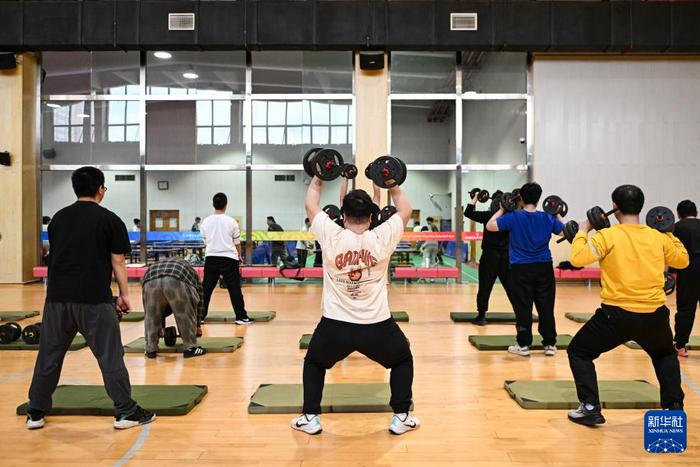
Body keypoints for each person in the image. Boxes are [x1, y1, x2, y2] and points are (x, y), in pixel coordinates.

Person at [26, 166, 155, 430]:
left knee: (49, 355)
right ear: (100, 189)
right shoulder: (109, 220)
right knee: (110, 356)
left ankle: (36, 412)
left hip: (57, 301)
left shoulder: (58, 219)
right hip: (94, 301)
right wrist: (125, 295)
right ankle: (126, 412)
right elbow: (118, 262)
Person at [291, 177, 419, 436]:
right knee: (402, 359)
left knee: (315, 363)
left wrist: (318, 177)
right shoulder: (382, 236)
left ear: (343, 215)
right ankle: (401, 416)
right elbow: (405, 209)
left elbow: (310, 204)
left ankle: (310, 418)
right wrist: (392, 183)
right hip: (377, 326)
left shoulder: (331, 234)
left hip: (335, 326)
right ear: (371, 217)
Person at [566, 185, 688, 425]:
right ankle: (674, 408)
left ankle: (590, 407)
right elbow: (682, 260)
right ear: (641, 207)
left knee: (579, 351)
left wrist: (582, 230)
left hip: (617, 316)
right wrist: (668, 232)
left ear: (614, 207)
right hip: (654, 316)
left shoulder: (607, 236)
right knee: (664, 355)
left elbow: (577, 257)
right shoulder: (658, 237)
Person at [486, 182, 563, 357]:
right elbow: (564, 232)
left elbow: (490, 226)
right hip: (544, 268)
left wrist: (501, 209)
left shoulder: (514, 216)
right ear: (539, 198)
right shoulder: (547, 218)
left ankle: (523, 345)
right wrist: (557, 214)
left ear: (520, 197)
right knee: (546, 306)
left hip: (520, 269)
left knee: (523, 307)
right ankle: (550, 344)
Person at [200, 193, 252, 325]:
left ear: (213, 204)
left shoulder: (205, 221)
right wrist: (239, 256)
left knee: (206, 289)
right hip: (229, 258)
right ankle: (241, 317)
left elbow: (205, 241)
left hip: (211, 257)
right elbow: (237, 242)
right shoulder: (231, 221)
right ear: (226, 204)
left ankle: (199, 317)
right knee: (234, 288)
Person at [464, 189, 513, 325]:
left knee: (485, 287)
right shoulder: (512, 217)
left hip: (489, 257)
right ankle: (521, 315)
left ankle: (481, 316)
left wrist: (475, 198)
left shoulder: (488, 216)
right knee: (511, 287)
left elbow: (468, 212)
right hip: (506, 257)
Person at [142, 257, 207, 359]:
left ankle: (150, 349)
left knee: (151, 315)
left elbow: (149, 309)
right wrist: (197, 324)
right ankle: (190, 348)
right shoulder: (191, 271)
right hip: (177, 279)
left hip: (150, 280)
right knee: (184, 312)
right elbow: (200, 300)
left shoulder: (156, 265)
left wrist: (160, 328)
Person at [672, 200, 700, 357]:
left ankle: (681, 346)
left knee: (685, 309)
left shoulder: (676, 226)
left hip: (688, 269)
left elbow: (669, 251)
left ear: (678, 214)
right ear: (696, 212)